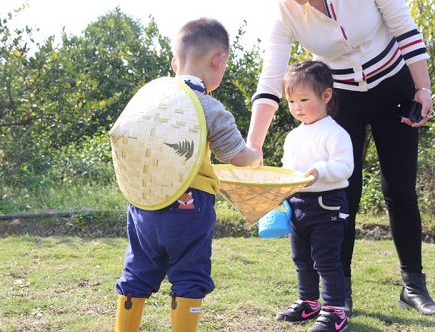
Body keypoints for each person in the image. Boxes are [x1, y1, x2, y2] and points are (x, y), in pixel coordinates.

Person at [247, 0, 435, 316]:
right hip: (341, 99)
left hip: (395, 88)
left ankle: (413, 287)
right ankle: (340, 292)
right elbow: (271, 78)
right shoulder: (284, 11)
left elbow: (404, 27)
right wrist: (253, 145)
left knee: (400, 190)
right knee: (343, 193)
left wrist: (424, 88)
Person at [113, 17, 260, 332]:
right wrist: (255, 155)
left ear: (174, 61)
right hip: (190, 207)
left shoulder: (149, 99)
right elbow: (234, 156)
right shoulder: (208, 107)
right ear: (218, 61)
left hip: (144, 204)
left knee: (137, 270)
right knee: (189, 275)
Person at [276, 60, 353, 332]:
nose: (296, 107)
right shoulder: (293, 136)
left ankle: (335, 310)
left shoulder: (335, 133)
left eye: (304, 99)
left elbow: (346, 167)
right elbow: (288, 170)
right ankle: (308, 301)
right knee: (301, 258)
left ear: (326, 96)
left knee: (326, 259)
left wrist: (319, 171)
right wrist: (278, 191)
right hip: (298, 205)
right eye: (291, 101)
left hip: (326, 206)